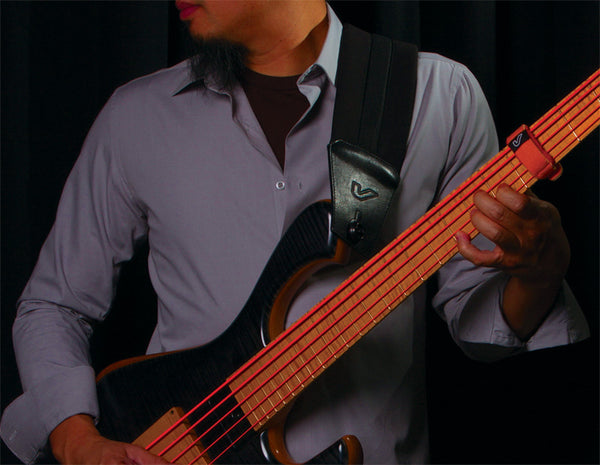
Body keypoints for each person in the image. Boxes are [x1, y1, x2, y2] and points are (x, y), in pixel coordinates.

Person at [0, 1, 590, 464]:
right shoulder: (135, 116)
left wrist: (540, 272)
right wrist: (76, 440)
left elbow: (479, 326)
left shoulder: (439, 96)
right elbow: (53, 304)